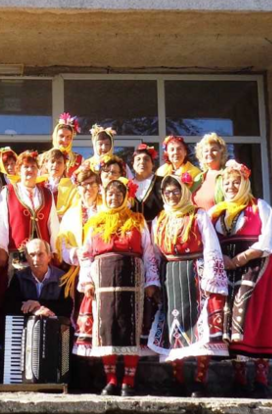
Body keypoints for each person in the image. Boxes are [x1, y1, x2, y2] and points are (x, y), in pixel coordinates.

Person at [72, 178, 159, 397]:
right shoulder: (95, 222)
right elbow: (86, 254)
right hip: (103, 282)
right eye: (110, 195)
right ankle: (111, 380)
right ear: (105, 196)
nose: (114, 198)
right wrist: (87, 281)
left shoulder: (138, 221)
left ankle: (128, 381)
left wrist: (151, 281)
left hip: (133, 282)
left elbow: (148, 253)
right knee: (107, 329)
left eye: (119, 195)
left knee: (131, 329)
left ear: (125, 197)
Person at [148, 174, 229, 397]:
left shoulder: (198, 215)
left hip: (196, 274)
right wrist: (153, 281)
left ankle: (200, 380)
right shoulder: (159, 219)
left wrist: (212, 280)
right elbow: (154, 254)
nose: (172, 196)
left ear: (184, 191)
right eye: (167, 193)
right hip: (170, 277)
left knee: (200, 326)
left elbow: (212, 248)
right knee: (174, 326)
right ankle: (178, 379)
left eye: (176, 191)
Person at [210, 160, 272, 398]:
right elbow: (206, 242)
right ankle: (239, 376)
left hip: (257, 266)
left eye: (236, 182)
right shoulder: (216, 212)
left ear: (244, 183)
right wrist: (224, 262)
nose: (231, 186)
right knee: (230, 318)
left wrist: (239, 259)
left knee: (254, 315)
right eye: (227, 182)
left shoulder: (259, 206)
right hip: (226, 270)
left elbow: (270, 241)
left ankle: (261, 377)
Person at [0, 150, 60, 315]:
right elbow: (0, 221)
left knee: (41, 295)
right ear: (18, 170)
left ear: (38, 170)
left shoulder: (47, 193)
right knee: (16, 298)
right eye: (25, 167)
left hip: (42, 257)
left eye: (33, 167)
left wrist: (56, 249)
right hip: (16, 256)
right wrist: (0, 248)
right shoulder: (7, 192)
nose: (29, 171)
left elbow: (54, 224)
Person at [58, 168, 102, 347]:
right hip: (78, 271)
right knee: (79, 316)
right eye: (83, 185)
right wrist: (76, 254)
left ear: (99, 186)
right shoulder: (70, 214)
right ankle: (82, 360)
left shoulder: (106, 208)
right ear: (77, 188)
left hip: (102, 269)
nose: (88, 188)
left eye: (92, 183)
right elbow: (62, 245)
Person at [4, 238, 73, 319]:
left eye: (40, 254)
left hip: (54, 326)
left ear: (49, 257)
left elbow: (68, 308)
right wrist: (34, 309)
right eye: (32, 255)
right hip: (26, 328)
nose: (36, 260)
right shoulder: (19, 277)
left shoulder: (62, 277)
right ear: (26, 257)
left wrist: (39, 304)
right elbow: (9, 306)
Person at [194, 133, 228, 211]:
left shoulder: (228, 174)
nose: (209, 153)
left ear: (221, 153)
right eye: (206, 151)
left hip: (219, 222)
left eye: (214, 150)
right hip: (198, 222)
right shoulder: (198, 178)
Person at [130, 144, 164, 222]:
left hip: (156, 230)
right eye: (138, 159)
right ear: (133, 164)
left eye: (146, 159)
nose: (142, 162)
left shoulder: (162, 182)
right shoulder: (126, 185)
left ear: (153, 164)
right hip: (133, 230)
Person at [41, 148, 77, 219]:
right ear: (46, 165)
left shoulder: (72, 186)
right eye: (52, 161)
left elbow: (74, 209)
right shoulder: (39, 183)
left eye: (59, 162)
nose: (55, 165)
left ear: (65, 166)